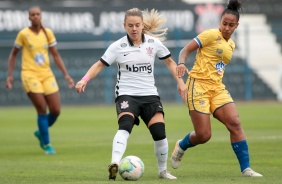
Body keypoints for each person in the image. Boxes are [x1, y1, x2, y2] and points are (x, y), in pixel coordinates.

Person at [75, 8, 187, 180]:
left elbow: (170, 62)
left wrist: (180, 82)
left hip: (150, 95)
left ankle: (162, 171)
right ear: (124, 26)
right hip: (126, 94)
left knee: (159, 132)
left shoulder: (153, 43)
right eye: (130, 26)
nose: (134, 29)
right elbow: (99, 65)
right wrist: (84, 80)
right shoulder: (117, 47)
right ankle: (114, 163)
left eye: (137, 25)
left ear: (142, 25)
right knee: (125, 125)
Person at [170, 0, 263, 177]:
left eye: (231, 25)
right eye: (224, 23)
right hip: (198, 86)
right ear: (220, 22)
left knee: (235, 123)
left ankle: (246, 169)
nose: (227, 28)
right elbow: (184, 50)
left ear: (237, 25)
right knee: (204, 135)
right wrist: (181, 63)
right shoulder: (211, 35)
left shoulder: (231, 45)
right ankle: (182, 145)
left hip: (217, 88)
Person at [6, 6, 74, 155]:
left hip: (47, 74)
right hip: (29, 74)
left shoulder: (47, 32)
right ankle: (47, 144)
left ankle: (40, 131)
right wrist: (10, 75)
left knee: (56, 110)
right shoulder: (23, 34)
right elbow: (13, 54)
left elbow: (55, 55)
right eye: (32, 14)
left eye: (38, 14)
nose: (35, 16)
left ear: (41, 16)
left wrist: (66, 75)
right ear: (29, 17)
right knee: (42, 109)